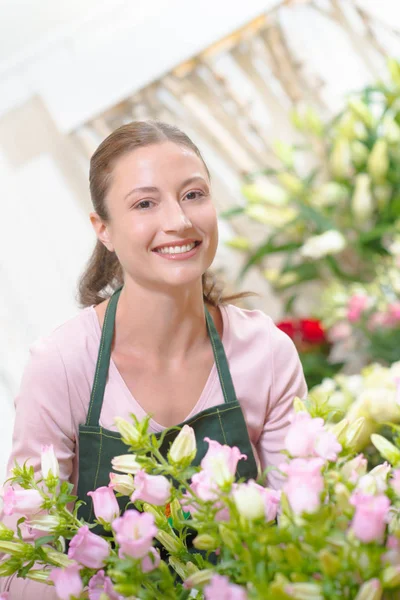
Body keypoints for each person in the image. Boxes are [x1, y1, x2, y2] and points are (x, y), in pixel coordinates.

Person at [0, 120, 307, 597]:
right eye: (145, 203)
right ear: (103, 230)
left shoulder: (264, 351)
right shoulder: (62, 365)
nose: (180, 221)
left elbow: (303, 521)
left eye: (193, 194)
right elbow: (25, 560)